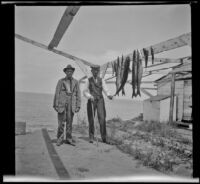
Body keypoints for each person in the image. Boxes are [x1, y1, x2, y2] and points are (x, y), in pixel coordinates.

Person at [83, 65, 113, 144]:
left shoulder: (102, 80)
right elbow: (85, 91)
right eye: (94, 70)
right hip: (91, 100)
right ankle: (91, 137)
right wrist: (89, 96)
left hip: (100, 100)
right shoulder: (88, 80)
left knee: (102, 119)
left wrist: (109, 95)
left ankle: (104, 138)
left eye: (97, 70)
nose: (96, 72)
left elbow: (105, 89)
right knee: (91, 119)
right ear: (92, 71)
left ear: (98, 71)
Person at [53, 64, 81, 146]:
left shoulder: (76, 82)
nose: (69, 72)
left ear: (73, 72)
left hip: (71, 105)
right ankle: (60, 139)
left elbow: (78, 94)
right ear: (65, 72)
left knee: (69, 123)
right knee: (61, 123)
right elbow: (57, 93)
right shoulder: (61, 81)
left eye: (71, 71)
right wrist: (55, 105)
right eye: (68, 71)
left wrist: (78, 106)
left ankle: (69, 139)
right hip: (62, 104)